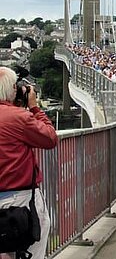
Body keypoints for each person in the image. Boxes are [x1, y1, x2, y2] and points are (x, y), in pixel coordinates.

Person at [0, 67, 58, 259]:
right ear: (13, 89)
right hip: (20, 200)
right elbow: (49, 139)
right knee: (30, 249)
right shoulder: (18, 117)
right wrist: (34, 108)